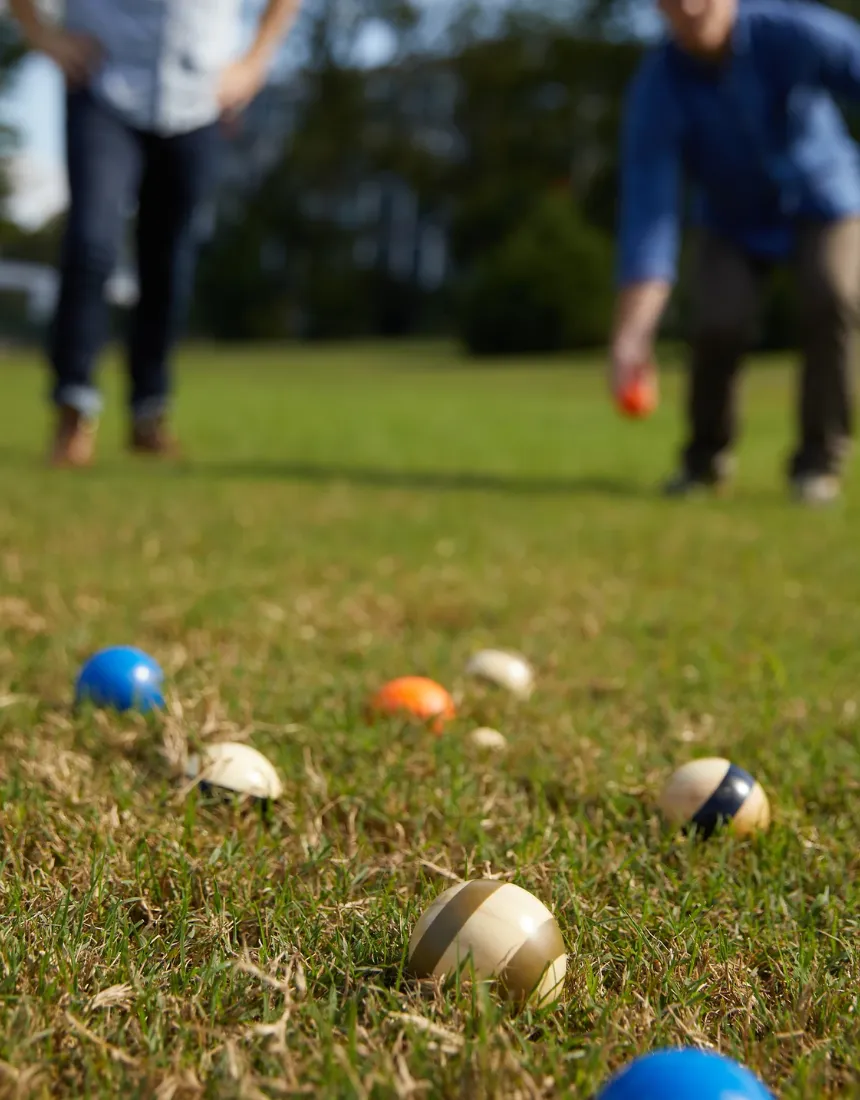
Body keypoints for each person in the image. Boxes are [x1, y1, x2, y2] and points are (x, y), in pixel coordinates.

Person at [9, 0, 301, 466]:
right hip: (103, 83)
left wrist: (253, 64)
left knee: (169, 261)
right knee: (91, 244)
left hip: (198, 96)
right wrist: (44, 37)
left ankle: (150, 410)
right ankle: (73, 407)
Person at [611, 0, 860, 504]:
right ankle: (704, 461)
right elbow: (650, 212)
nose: (687, 4)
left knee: (831, 296)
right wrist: (632, 336)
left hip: (825, 198)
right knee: (718, 320)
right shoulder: (660, 85)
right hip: (732, 219)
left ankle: (818, 465)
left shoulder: (798, 34)